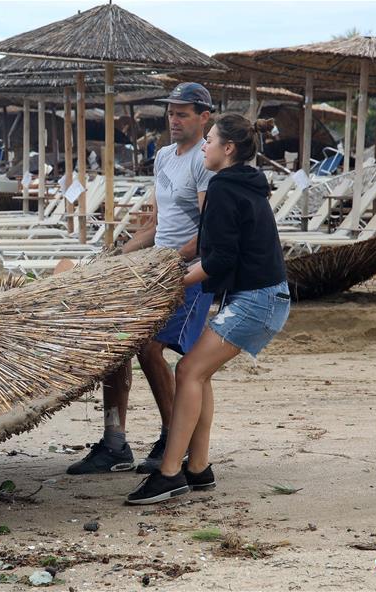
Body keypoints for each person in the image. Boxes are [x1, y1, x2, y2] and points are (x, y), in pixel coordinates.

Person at [127, 114, 290, 504]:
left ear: (227, 149)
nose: (204, 145)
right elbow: (222, 257)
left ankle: (169, 473)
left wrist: (170, 282)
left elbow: (216, 260)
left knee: (188, 369)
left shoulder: (222, 189)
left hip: (258, 301)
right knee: (200, 371)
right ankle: (197, 467)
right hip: (258, 296)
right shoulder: (242, 183)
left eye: (210, 140)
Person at [67, 83, 216, 475]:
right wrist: (118, 257)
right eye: (171, 112)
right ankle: (115, 441)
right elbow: (156, 223)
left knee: (150, 347)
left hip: (190, 273)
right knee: (116, 339)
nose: (174, 119)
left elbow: (210, 232)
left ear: (204, 117)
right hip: (155, 266)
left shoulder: (204, 161)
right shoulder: (165, 157)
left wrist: (171, 260)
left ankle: (174, 439)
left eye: (183, 113)